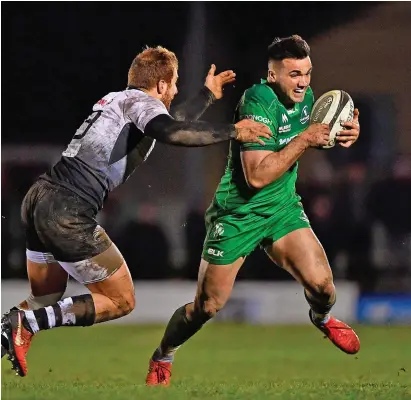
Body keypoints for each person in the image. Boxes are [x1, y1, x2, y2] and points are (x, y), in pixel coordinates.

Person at [1, 45, 271, 377]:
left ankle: (15, 326)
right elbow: (173, 132)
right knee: (121, 300)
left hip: (40, 198)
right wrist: (234, 130)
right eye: (173, 84)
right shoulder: (141, 104)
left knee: (46, 298)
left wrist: (206, 95)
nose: (174, 91)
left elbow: (170, 123)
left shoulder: (118, 100)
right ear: (160, 84)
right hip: (67, 209)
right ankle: (22, 323)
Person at [146, 35, 361, 386]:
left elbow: (312, 135)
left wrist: (344, 132)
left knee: (324, 287)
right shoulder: (256, 102)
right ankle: (164, 354)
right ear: (273, 75)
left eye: (307, 73)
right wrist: (306, 139)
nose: (304, 82)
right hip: (237, 215)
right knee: (207, 306)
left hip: (282, 209)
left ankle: (321, 318)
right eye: (294, 74)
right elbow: (257, 176)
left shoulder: (306, 98)